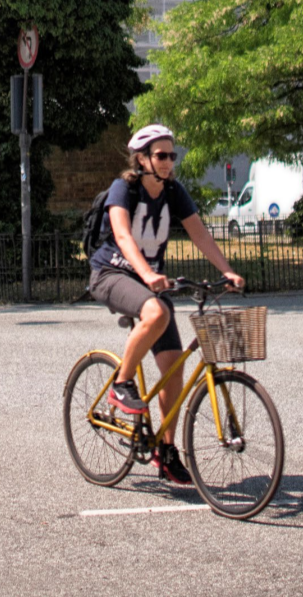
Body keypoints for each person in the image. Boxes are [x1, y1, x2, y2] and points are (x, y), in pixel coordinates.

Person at [88, 123, 244, 485]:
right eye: (161, 155)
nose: (169, 162)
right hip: (112, 274)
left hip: (148, 281)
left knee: (173, 371)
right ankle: (121, 384)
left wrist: (227, 271)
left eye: (172, 155)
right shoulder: (123, 189)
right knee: (157, 310)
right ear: (141, 158)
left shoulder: (174, 191)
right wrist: (147, 274)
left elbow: (199, 233)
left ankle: (167, 450)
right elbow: (123, 237)